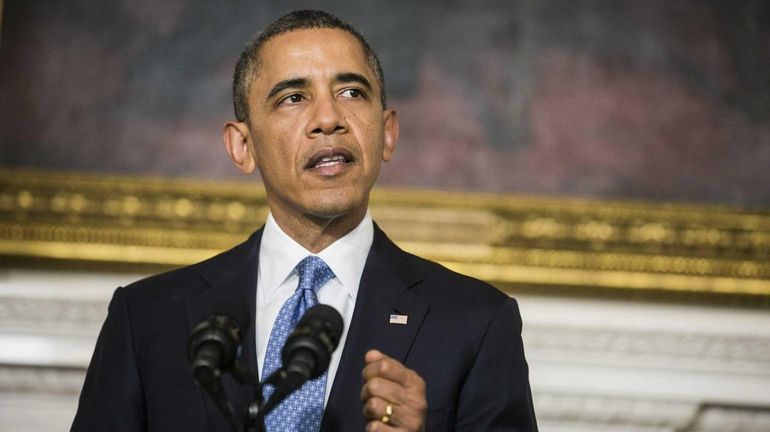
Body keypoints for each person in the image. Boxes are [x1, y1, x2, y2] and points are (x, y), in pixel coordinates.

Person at [71, 9, 537, 432]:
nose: (328, 118)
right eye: (293, 97)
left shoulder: (475, 323)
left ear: (388, 134)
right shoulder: (148, 319)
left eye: (351, 92)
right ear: (242, 146)